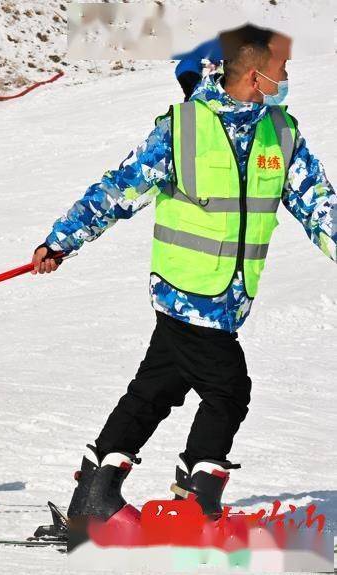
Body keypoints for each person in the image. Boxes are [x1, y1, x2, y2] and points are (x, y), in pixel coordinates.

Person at [31, 24, 335, 525]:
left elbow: (320, 207)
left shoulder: (281, 134)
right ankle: (195, 503)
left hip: (230, 299)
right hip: (184, 293)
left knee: (154, 391)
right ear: (255, 74)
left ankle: (94, 499)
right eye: (281, 65)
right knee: (228, 390)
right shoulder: (182, 128)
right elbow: (118, 190)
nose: (288, 74)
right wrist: (62, 240)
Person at [173, 37, 222, 101]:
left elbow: (195, 63)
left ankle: (186, 109)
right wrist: (217, 63)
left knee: (189, 93)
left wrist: (207, 66)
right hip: (190, 71)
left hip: (179, 72)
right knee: (197, 91)